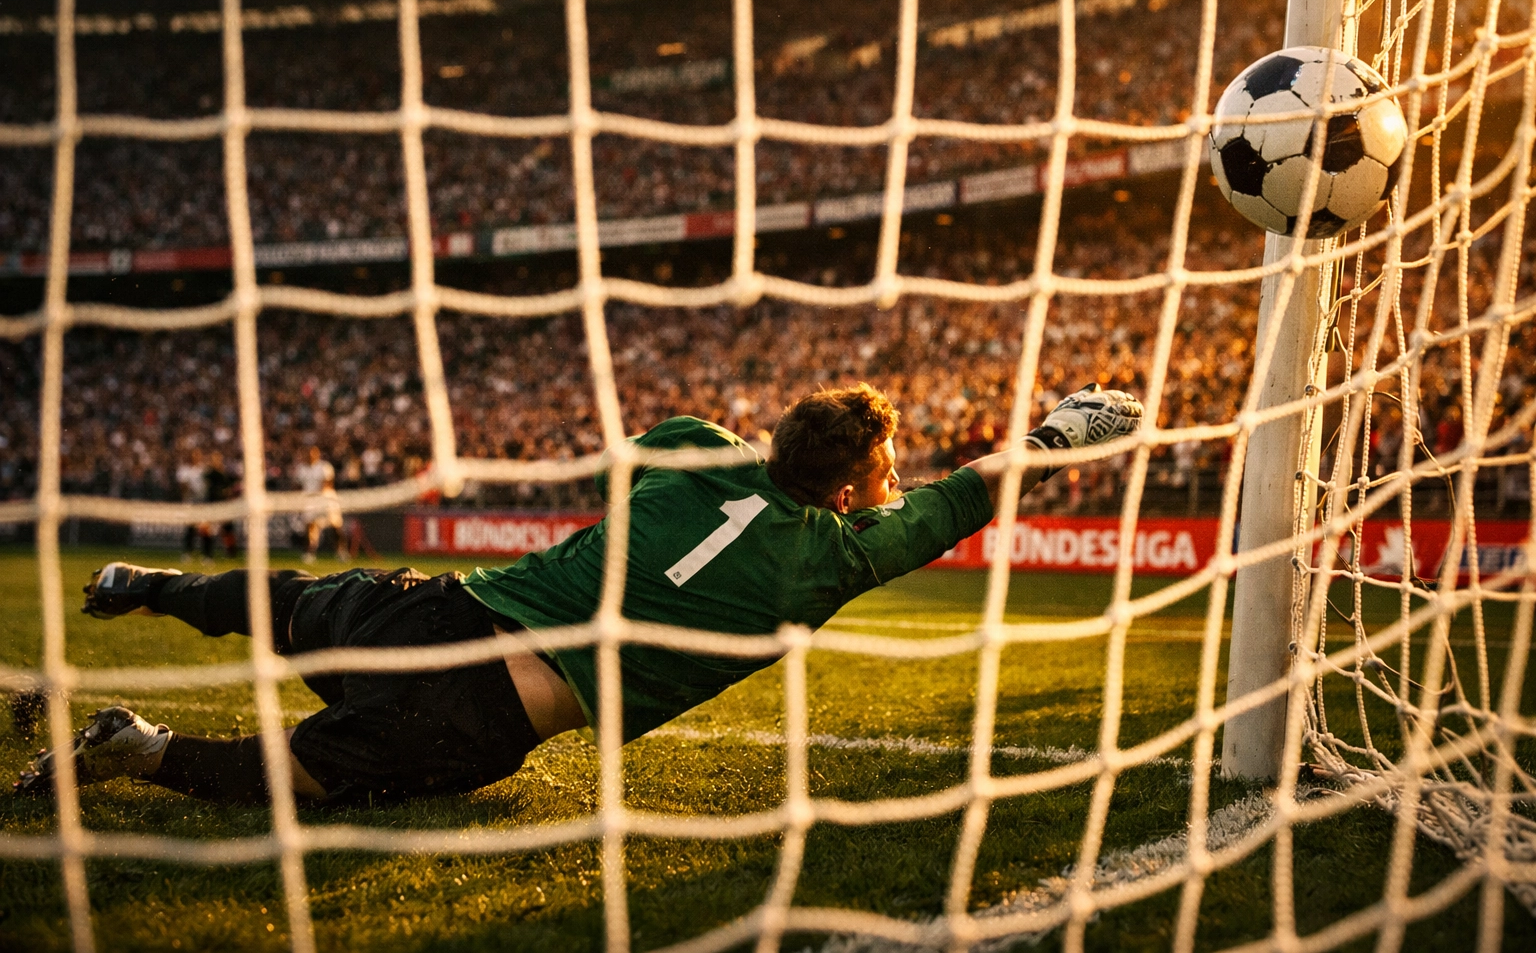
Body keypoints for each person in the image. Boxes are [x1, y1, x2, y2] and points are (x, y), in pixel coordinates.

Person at [14, 383, 1141, 805]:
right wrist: (1053, 433)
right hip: (483, 706)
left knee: (297, 602)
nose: (893, 482)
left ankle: (148, 582)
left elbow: (646, 455)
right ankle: (141, 745)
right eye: (880, 472)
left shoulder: (701, 447)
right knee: (300, 780)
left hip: (436, 608)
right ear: (851, 485)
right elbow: (969, 493)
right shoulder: (834, 559)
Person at [295, 446, 345, 564]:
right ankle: (309, 552)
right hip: (310, 502)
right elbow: (298, 486)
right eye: (309, 453)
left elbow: (327, 484)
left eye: (313, 453)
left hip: (326, 500)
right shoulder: (301, 469)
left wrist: (317, 496)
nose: (311, 456)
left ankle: (341, 551)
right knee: (310, 526)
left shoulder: (324, 467)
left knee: (335, 525)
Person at [174, 448, 211, 565]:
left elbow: (208, 485)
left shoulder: (204, 469)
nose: (195, 457)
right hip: (190, 502)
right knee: (190, 528)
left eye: (197, 455)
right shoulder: (184, 470)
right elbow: (182, 487)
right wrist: (190, 489)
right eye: (193, 455)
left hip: (202, 502)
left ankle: (207, 556)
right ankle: (188, 553)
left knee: (204, 529)